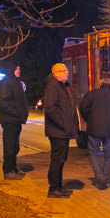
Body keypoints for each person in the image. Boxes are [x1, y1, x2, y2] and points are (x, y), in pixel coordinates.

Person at [79, 77, 110, 189]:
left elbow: (83, 108)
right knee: (109, 156)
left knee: (93, 153)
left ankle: (99, 175)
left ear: (100, 83)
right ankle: (105, 180)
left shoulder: (91, 94)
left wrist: (89, 119)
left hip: (94, 128)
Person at [44, 63, 79, 197]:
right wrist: (63, 124)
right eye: (63, 70)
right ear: (55, 73)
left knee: (61, 159)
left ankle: (58, 186)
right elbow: (51, 108)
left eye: (66, 70)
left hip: (62, 130)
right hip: (58, 131)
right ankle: (53, 188)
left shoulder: (63, 86)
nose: (67, 72)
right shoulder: (53, 86)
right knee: (57, 159)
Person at [0, 64, 28, 180]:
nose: (19, 71)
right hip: (10, 120)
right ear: (11, 69)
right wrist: (17, 113)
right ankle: (8, 170)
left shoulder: (16, 82)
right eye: (17, 69)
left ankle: (13, 167)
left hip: (16, 120)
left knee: (15, 146)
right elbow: (5, 102)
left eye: (19, 69)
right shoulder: (7, 83)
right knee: (9, 146)